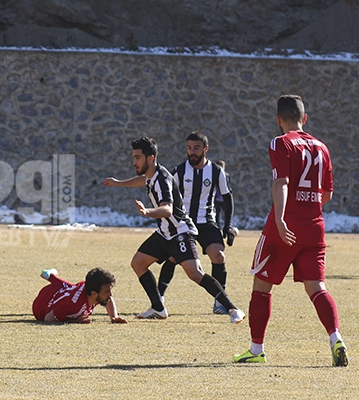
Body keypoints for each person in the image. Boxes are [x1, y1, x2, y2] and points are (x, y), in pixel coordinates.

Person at [233, 95, 348, 366]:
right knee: (317, 287)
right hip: (314, 227)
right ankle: (336, 338)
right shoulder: (322, 147)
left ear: (278, 119)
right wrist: (307, 207)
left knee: (261, 285)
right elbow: (327, 194)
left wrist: (283, 219)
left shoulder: (280, 142)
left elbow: (281, 183)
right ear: (304, 118)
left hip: (283, 227)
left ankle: (256, 349)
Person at [103, 137, 244, 323]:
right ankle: (158, 307)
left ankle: (232, 309)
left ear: (150, 158)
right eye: (134, 157)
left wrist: (148, 212)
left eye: (138, 157)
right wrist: (119, 183)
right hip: (164, 233)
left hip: (179, 232)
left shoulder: (161, 179)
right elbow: (142, 180)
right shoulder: (152, 175)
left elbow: (167, 209)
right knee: (138, 263)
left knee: (195, 274)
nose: (134, 162)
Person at [157, 132, 238, 315]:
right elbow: (166, 196)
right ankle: (159, 299)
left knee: (218, 256)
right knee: (173, 258)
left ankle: (220, 301)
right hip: (183, 223)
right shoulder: (178, 171)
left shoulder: (217, 171)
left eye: (196, 148)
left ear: (205, 149)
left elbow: (227, 199)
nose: (192, 152)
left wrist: (228, 225)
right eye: (189, 148)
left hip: (206, 222)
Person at [32, 267, 128, 323]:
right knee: (69, 289)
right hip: (41, 304)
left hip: (64, 291)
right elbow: (48, 318)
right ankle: (49, 275)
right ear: (93, 294)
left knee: (70, 287)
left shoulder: (91, 291)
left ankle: (50, 276)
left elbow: (108, 299)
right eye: (107, 291)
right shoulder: (72, 305)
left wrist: (114, 317)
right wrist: (75, 320)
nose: (110, 295)